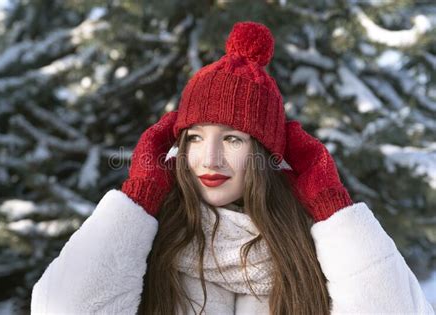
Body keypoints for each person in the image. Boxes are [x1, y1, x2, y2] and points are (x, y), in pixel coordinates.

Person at [31, 21, 434, 314]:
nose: (210, 158)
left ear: (263, 153)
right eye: (194, 137)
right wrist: (140, 194)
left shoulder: (315, 249)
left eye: (233, 138)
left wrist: (330, 204)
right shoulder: (146, 242)